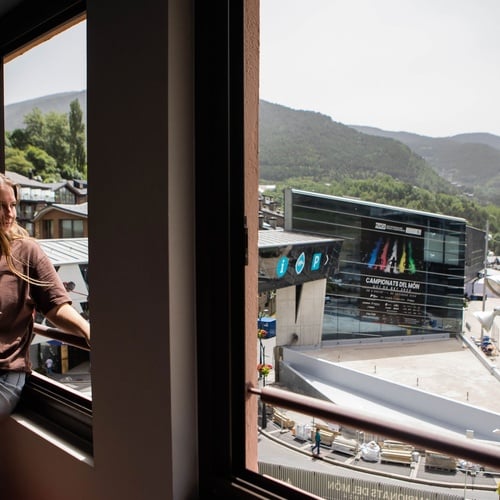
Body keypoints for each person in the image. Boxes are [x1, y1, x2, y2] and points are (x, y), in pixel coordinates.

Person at [0, 173, 90, 420]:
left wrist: (87, 330)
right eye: (1, 206)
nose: (10, 214)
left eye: (13, 205)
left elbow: (55, 305)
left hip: (4, 375)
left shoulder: (26, 252)